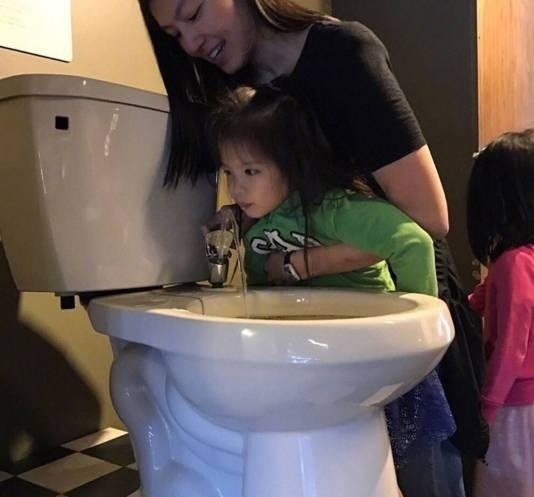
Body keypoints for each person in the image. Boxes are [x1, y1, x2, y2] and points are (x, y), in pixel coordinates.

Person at [137, 0, 489, 488]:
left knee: (419, 468)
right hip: (322, 325)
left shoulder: (340, 56)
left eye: (193, 13)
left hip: (395, 291)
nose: (191, 44)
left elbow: (426, 223)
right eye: (174, 35)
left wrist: (298, 264)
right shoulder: (232, 92)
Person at [208, 84, 464, 497]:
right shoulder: (258, 226)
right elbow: (262, 291)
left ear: (292, 164)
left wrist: (416, 346)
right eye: (229, 173)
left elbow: (413, 242)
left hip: (381, 356)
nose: (237, 189)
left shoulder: (333, 209)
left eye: (251, 172)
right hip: (326, 362)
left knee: (423, 469)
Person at [466, 129, 534, 497]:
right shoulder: (522, 258)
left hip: (514, 404)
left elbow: (511, 346)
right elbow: (488, 296)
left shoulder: (513, 263)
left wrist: (487, 408)